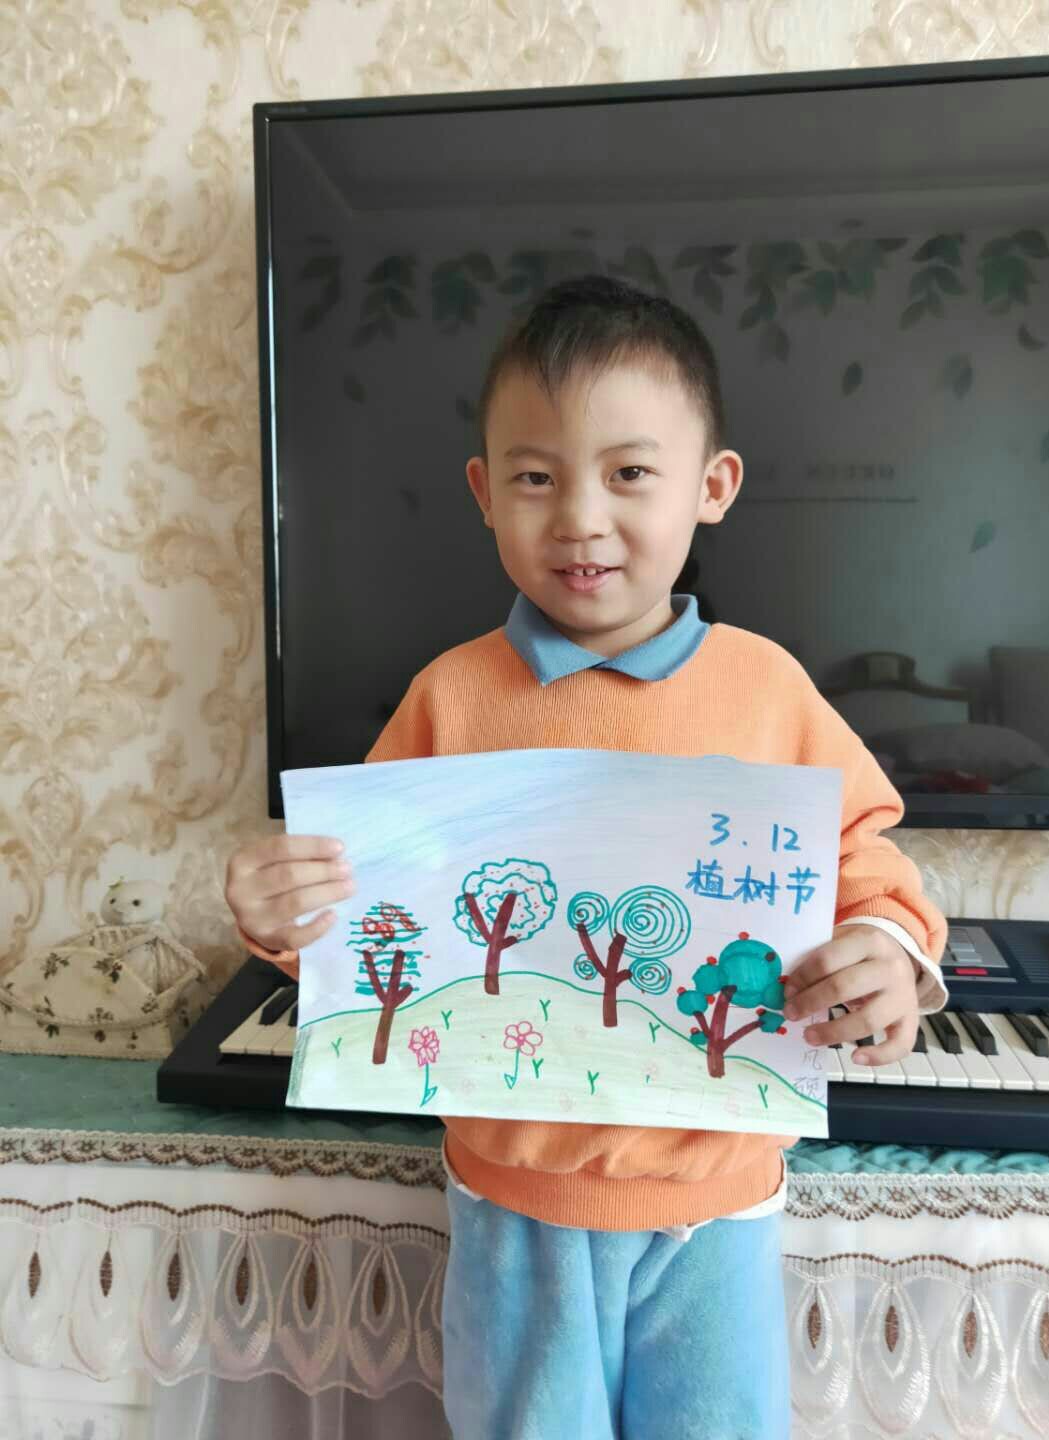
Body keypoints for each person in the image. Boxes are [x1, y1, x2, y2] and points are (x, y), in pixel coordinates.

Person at [225, 273, 949, 1439]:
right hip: (516, 1205)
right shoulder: (449, 698)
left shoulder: (768, 689)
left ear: (712, 487)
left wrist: (885, 949)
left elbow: (864, 860)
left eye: (628, 473)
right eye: (535, 478)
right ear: (484, 492)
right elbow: (362, 911)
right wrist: (281, 914)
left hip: (721, 1198)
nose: (579, 518)